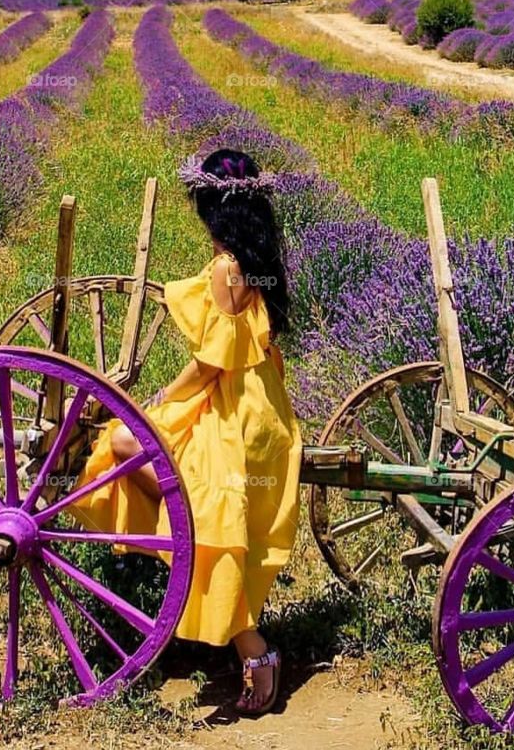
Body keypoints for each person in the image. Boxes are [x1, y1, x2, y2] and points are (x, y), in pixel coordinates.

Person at [70, 149, 303, 716]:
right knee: (180, 492)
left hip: (236, 413)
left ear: (214, 211)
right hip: (258, 407)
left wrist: (157, 399)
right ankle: (209, 587)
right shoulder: (254, 260)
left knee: (137, 455)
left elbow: (211, 363)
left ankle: (252, 646)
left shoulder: (228, 268)